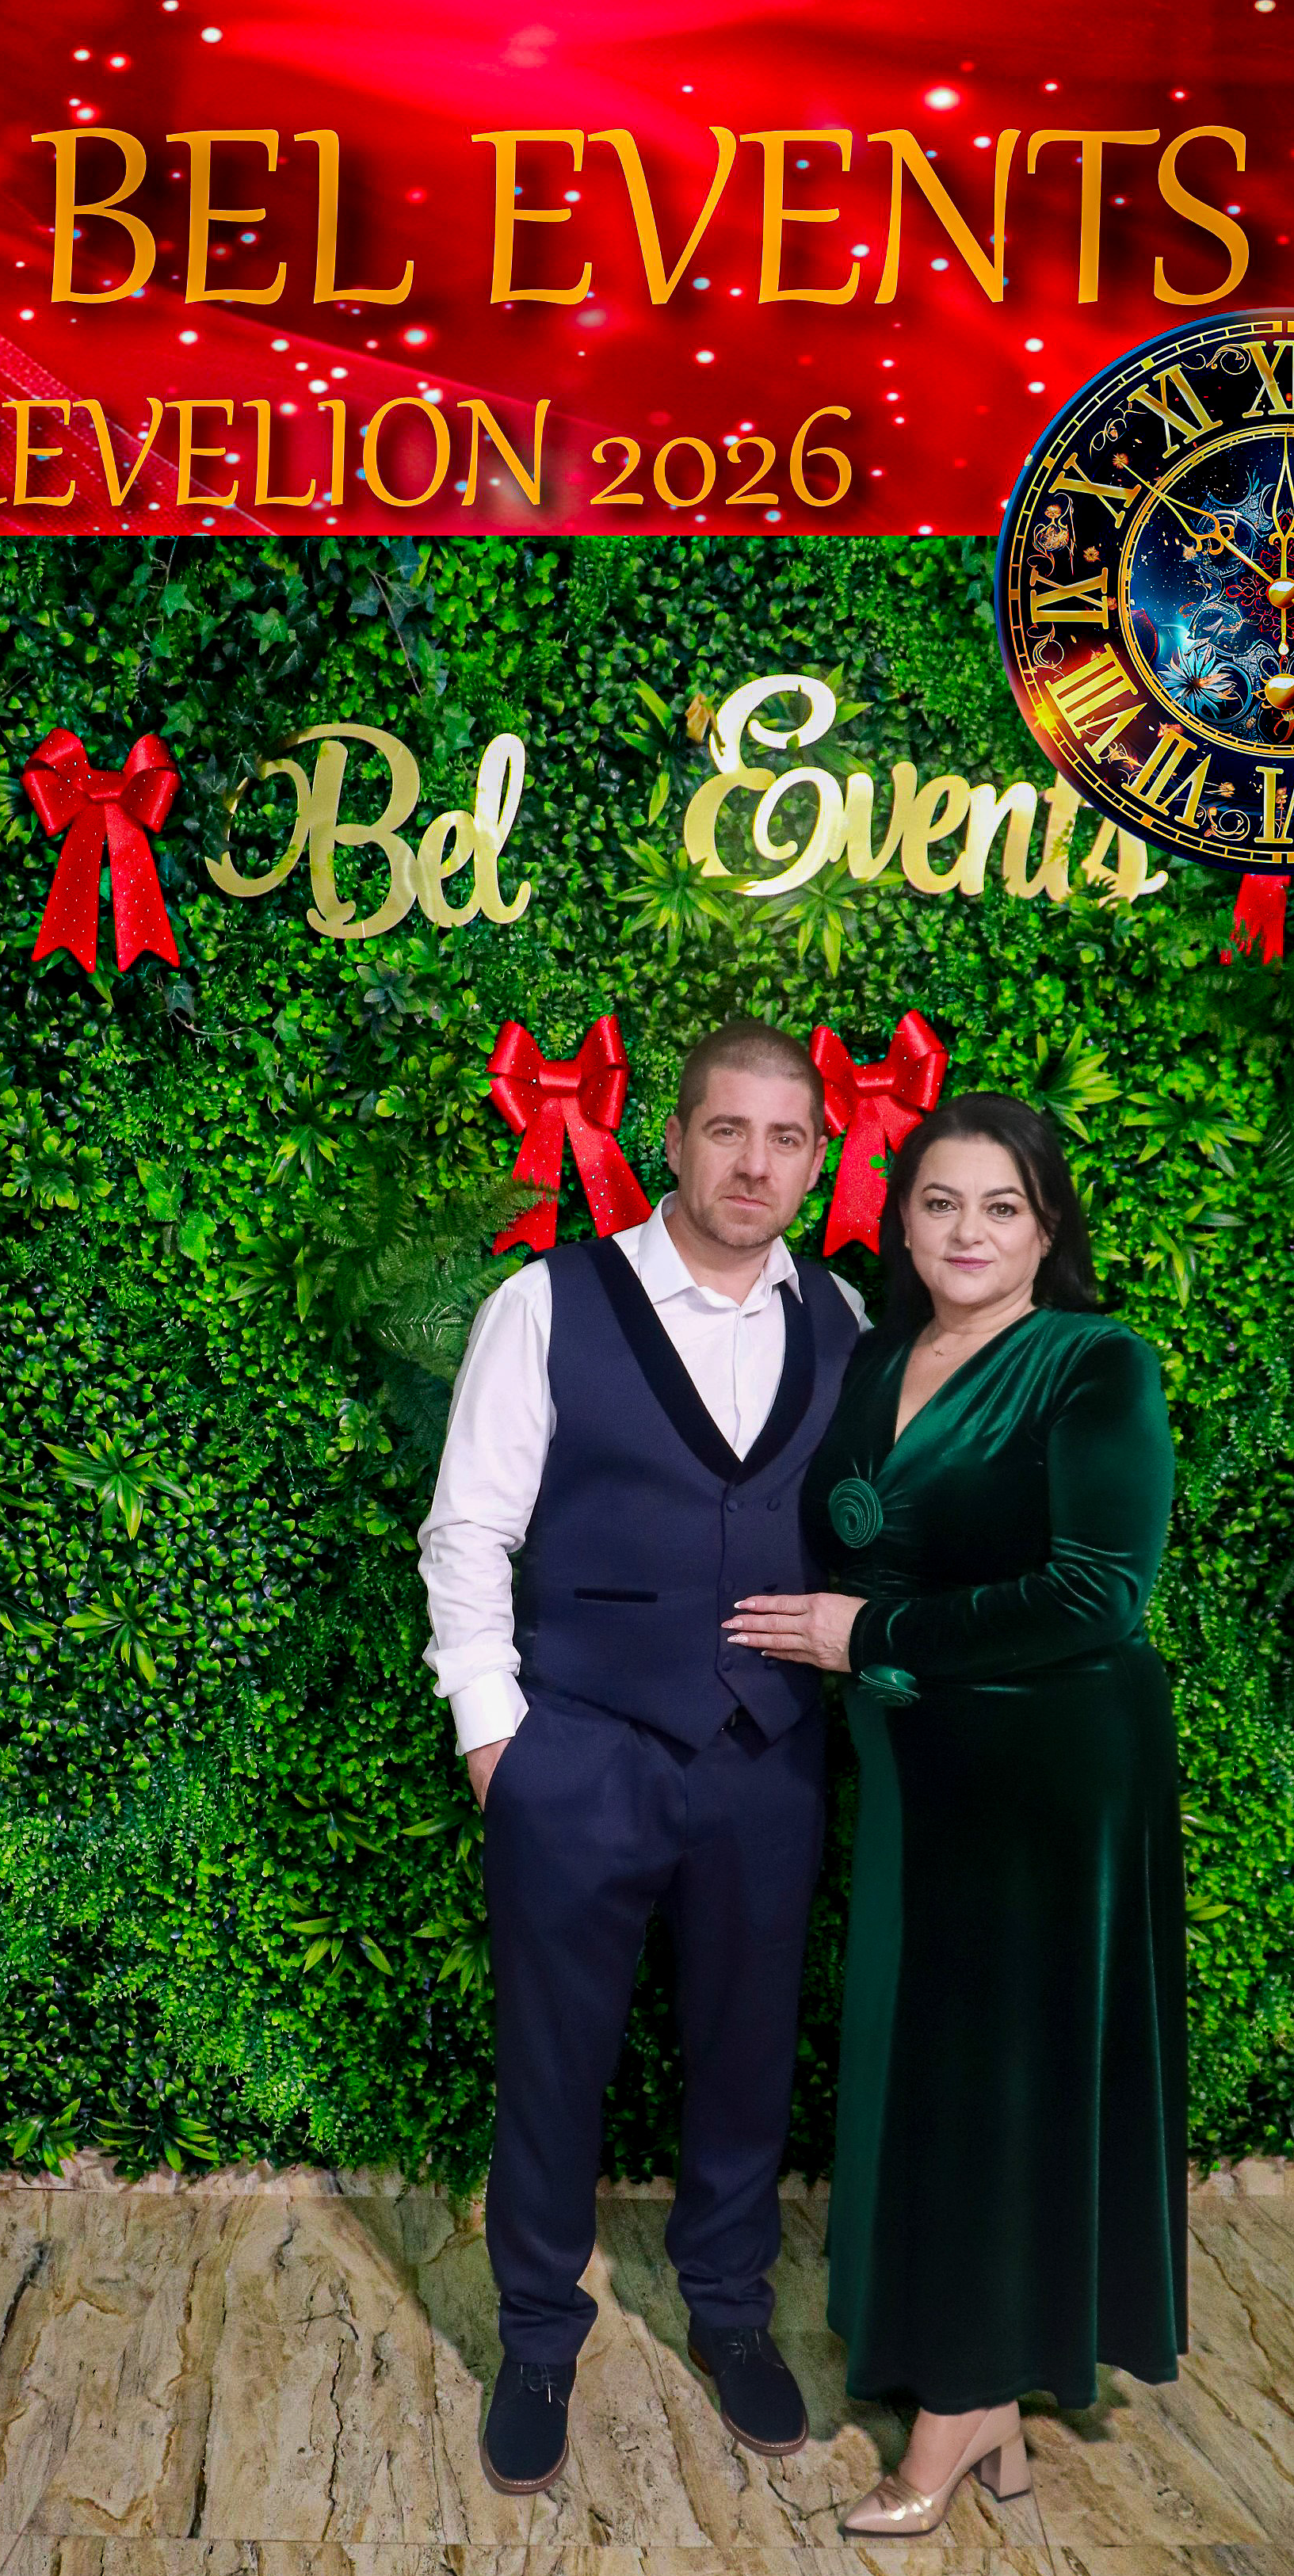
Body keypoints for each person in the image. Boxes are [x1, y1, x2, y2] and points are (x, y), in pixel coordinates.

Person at [727, 1093, 1186, 2536]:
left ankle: (960, 2409)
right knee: (926, 2075)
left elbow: (1099, 1593)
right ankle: (977, 2401)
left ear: (1047, 1229)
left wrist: (869, 1634)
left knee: (993, 2081)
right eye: (940, 1203)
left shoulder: (1095, 1363)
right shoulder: (880, 1354)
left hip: (1048, 1773)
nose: (968, 1232)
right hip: (919, 1765)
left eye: (1001, 1207)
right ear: (903, 1219)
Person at [418, 1021, 867, 2496]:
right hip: (580, 1752)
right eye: (727, 1130)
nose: (754, 1163)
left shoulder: (844, 1316)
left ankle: (730, 2311)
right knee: (555, 2062)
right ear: (671, 1139)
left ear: (818, 1158)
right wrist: (497, 1738)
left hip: (768, 1759)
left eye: (786, 1138)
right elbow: (468, 1531)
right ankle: (538, 2335)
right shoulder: (547, 1303)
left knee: (748, 2053)